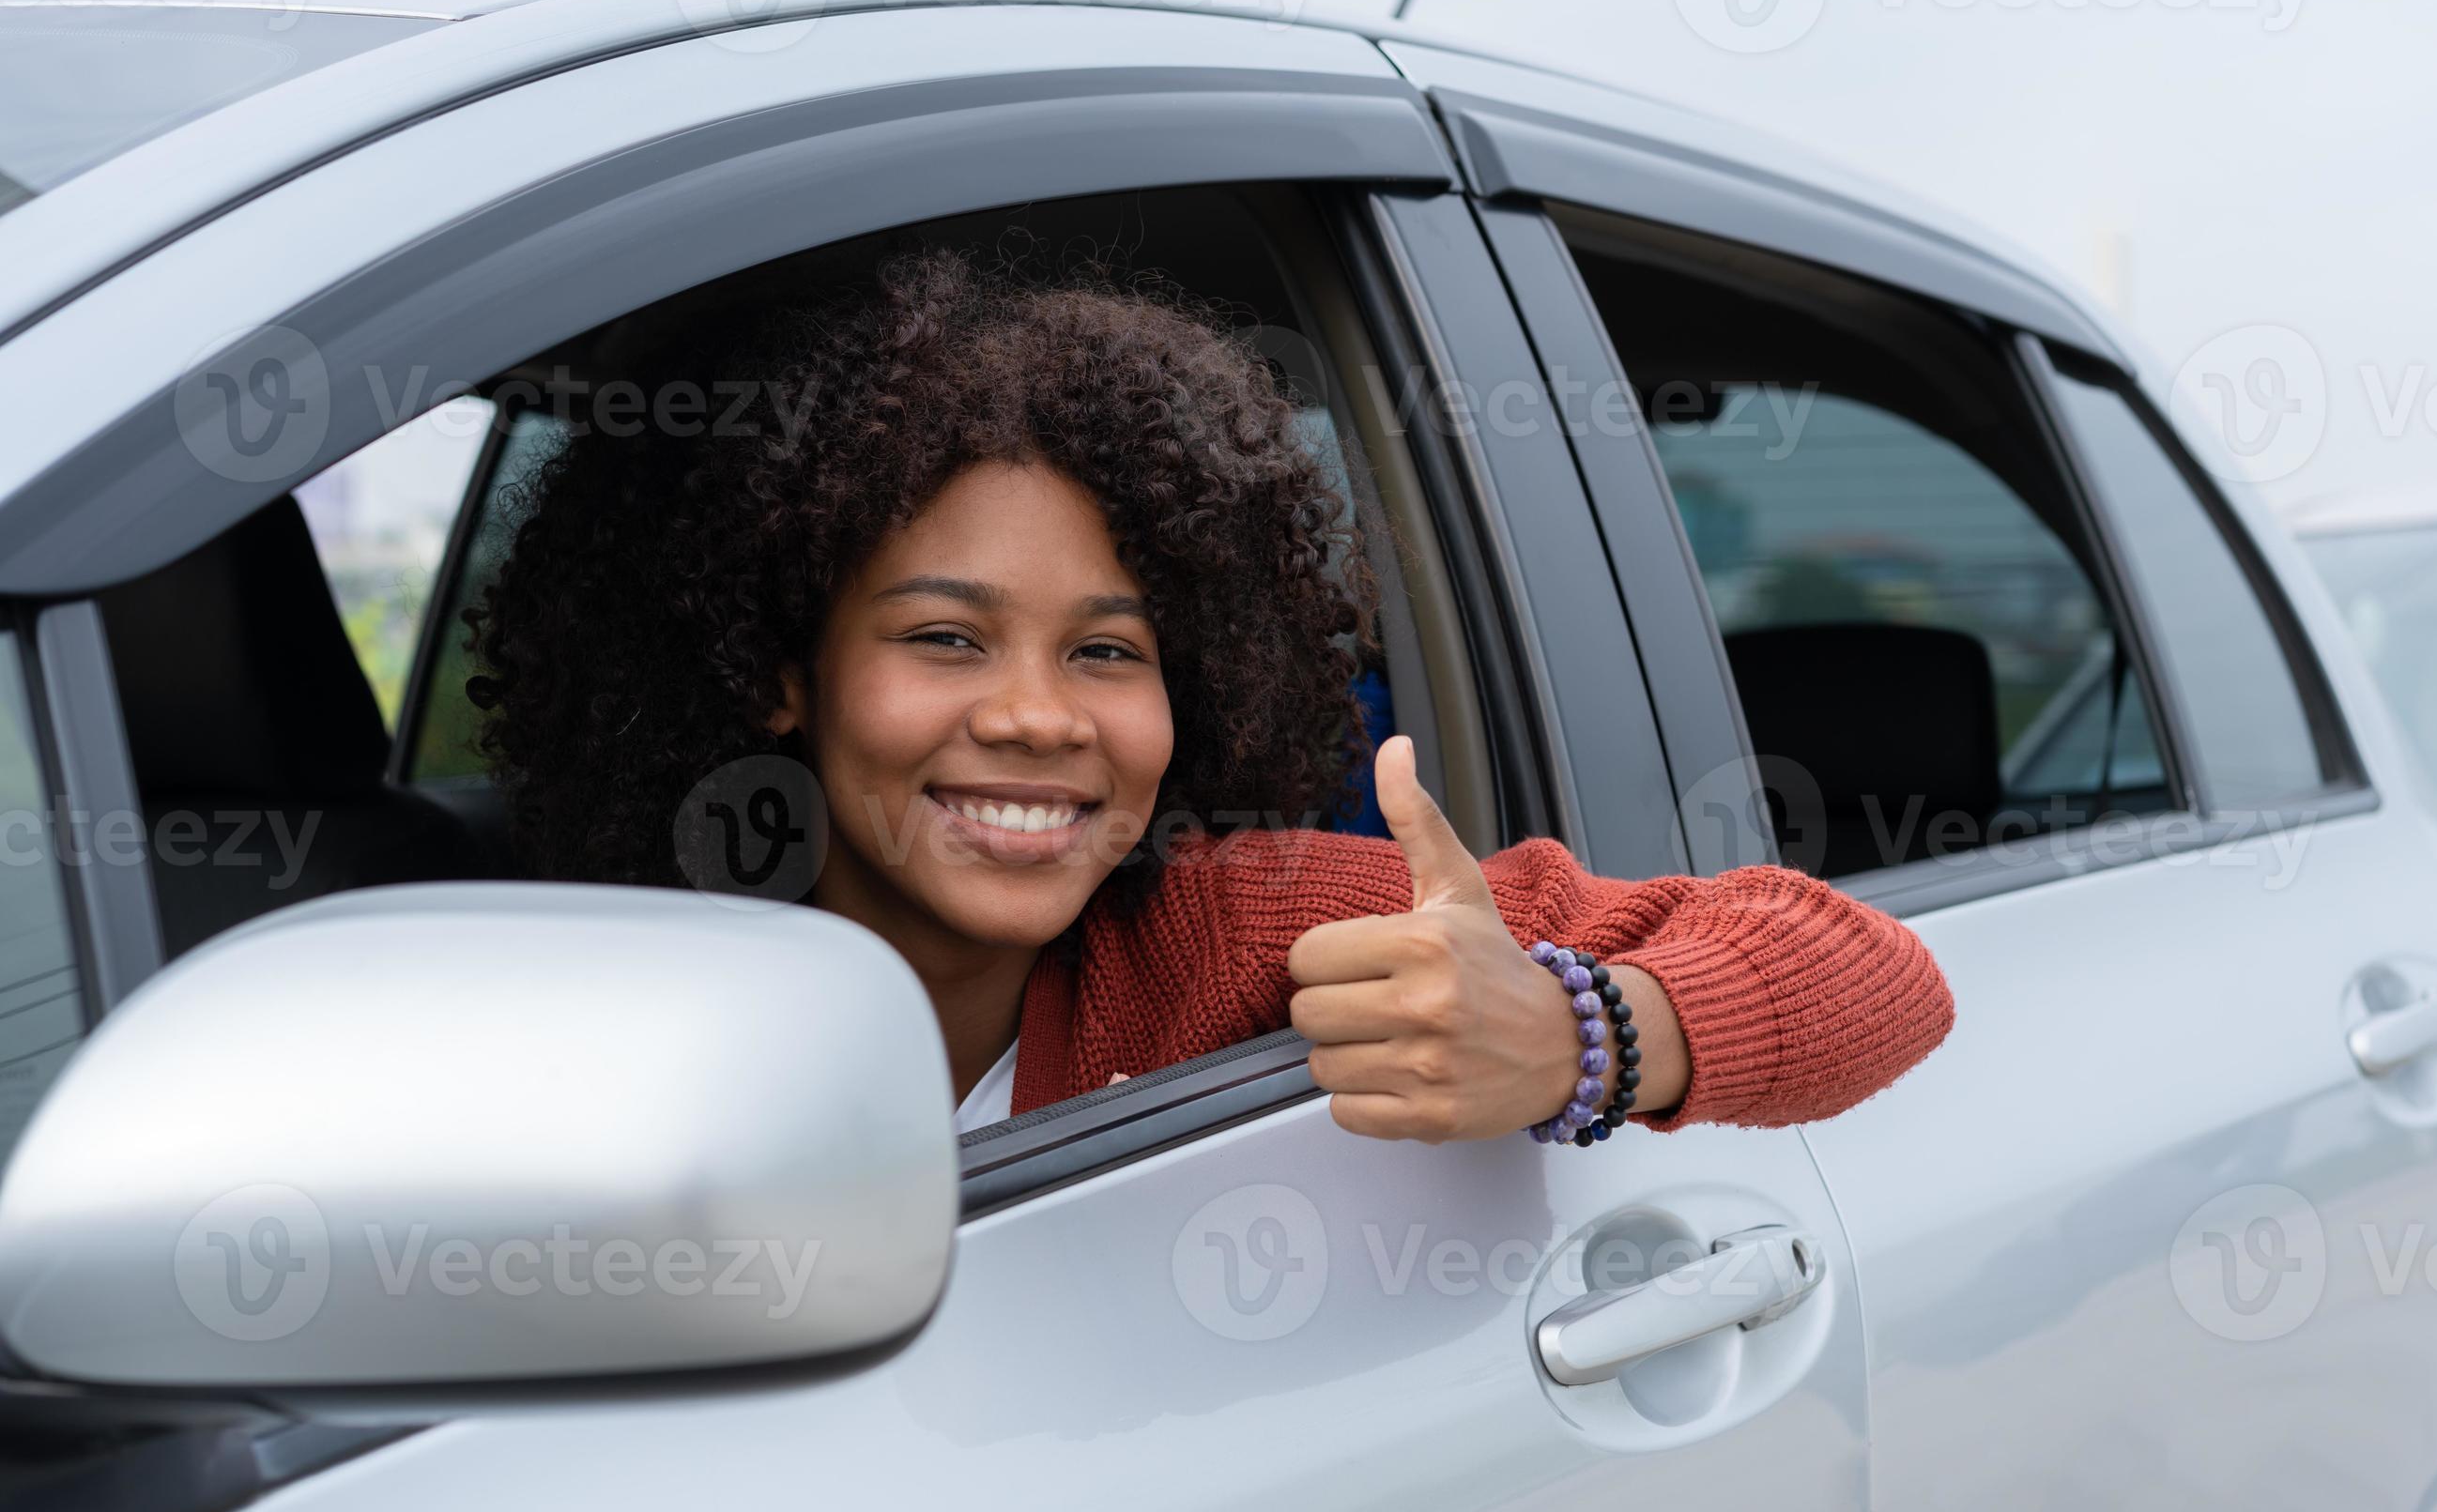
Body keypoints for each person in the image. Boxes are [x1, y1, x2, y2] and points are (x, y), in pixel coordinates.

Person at [469, 251, 1954, 1140]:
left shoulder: (1227, 931)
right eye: (946, 638)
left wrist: (1585, 1036)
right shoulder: (605, 1008)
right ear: (779, 673)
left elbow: (1872, 971)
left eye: (1110, 652)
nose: (1043, 718)